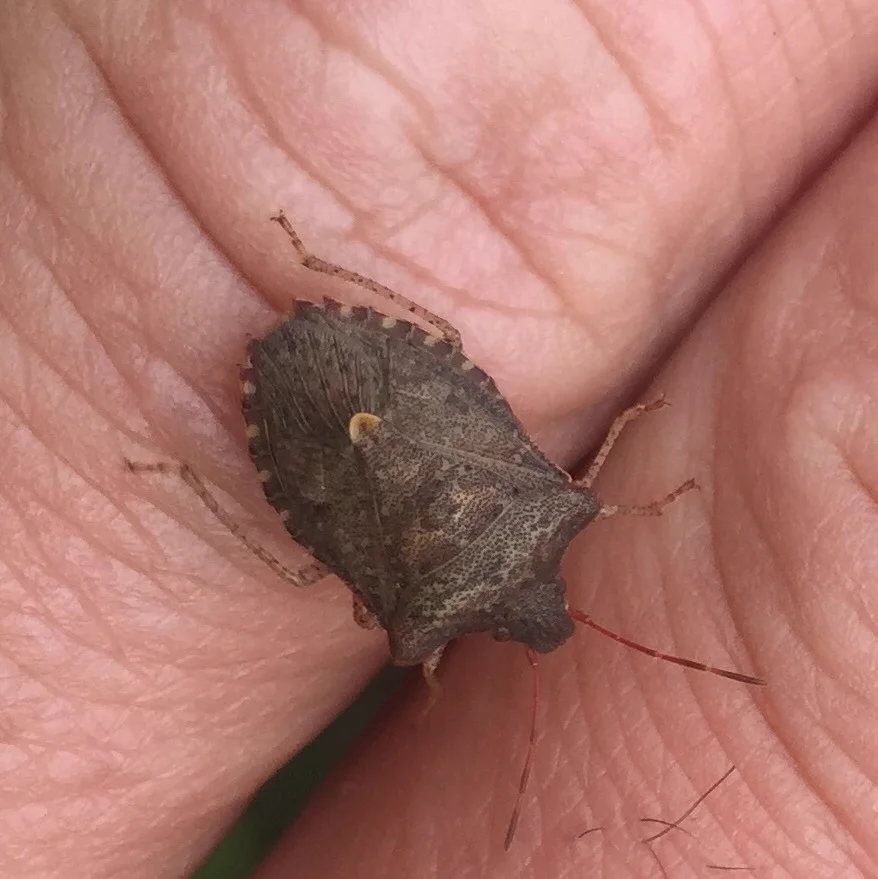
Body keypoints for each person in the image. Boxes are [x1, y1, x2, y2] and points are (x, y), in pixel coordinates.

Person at [3, 3, 876, 877]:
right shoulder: (440, 606)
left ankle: (304, 268)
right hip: (312, 446)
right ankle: (185, 476)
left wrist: (621, 474)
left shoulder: (559, 501)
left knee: (446, 349)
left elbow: (603, 451)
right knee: (304, 569)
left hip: (380, 377)